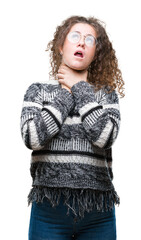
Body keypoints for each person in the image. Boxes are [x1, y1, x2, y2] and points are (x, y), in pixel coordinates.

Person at [20, 15, 125, 240]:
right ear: (60, 46)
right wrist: (67, 94)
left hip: (98, 212)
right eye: (75, 36)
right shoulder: (37, 91)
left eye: (90, 40)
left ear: (95, 53)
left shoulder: (105, 95)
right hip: (49, 209)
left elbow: (105, 136)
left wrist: (79, 87)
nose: (81, 42)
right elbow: (32, 137)